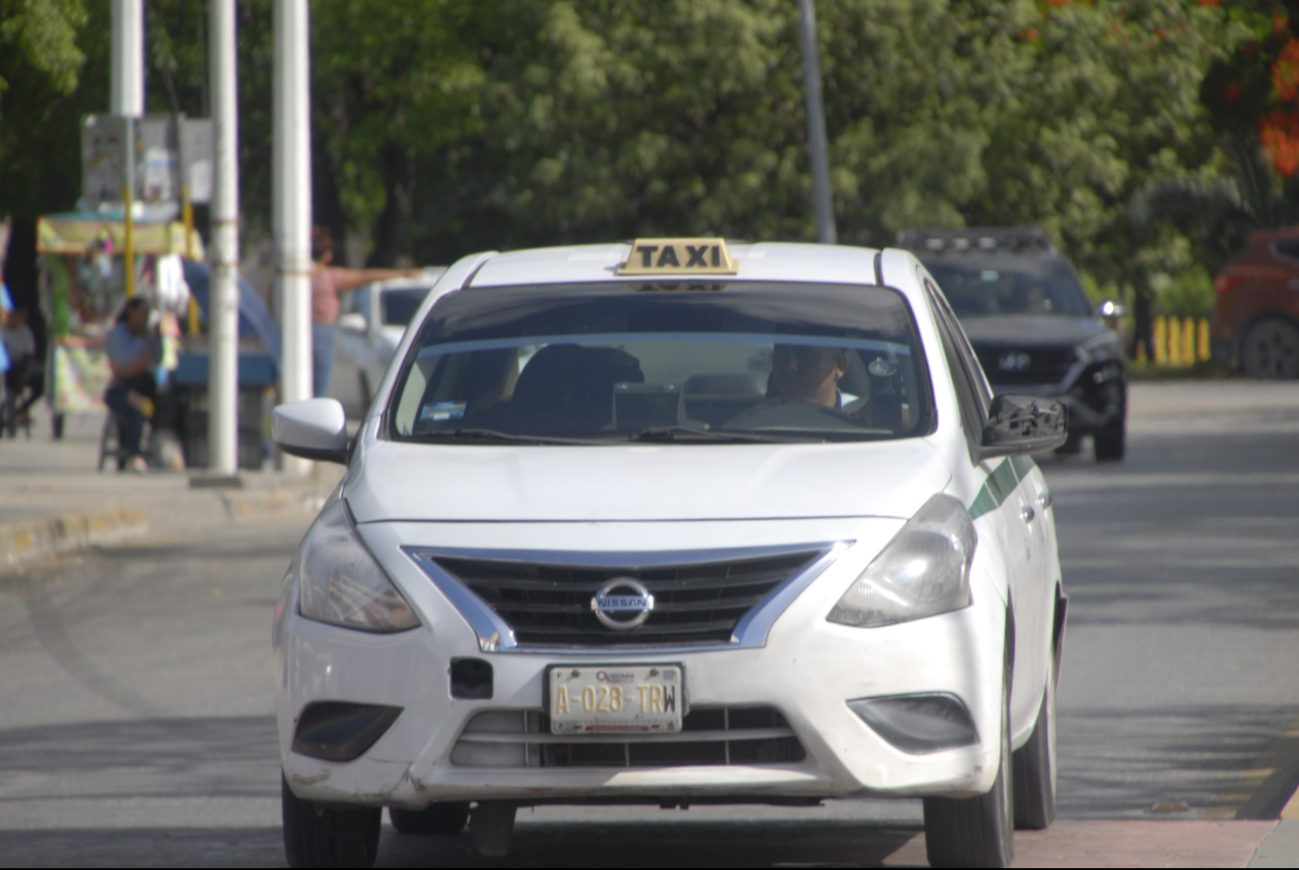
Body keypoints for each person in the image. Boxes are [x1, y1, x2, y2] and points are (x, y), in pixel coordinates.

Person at [310, 227, 415, 398]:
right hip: (323, 332)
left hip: (292, 332)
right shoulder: (330, 276)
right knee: (319, 390)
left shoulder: (293, 276)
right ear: (327, 256)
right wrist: (405, 274)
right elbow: (368, 276)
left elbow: (271, 297)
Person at [103, 298, 161, 472]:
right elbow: (125, 364)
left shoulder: (145, 335)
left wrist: (156, 340)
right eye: (142, 313)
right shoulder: (118, 334)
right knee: (137, 409)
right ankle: (134, 455)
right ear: (132, 312)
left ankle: (154, 454)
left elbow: (156, 359)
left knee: (164, 408)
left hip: (143, 388)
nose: (144, 319)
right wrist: (142, 344)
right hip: (120, 390)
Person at [1, 306, 42, 428]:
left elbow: (28, 354)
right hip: (4, 368)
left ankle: (21, 409)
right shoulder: (2, 330)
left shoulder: (24, 331)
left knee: (39, 384)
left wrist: (26, 374)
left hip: (18, 368)